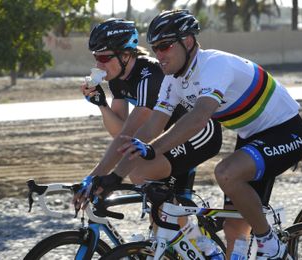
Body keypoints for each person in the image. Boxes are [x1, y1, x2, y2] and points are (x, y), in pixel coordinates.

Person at [90, 10, 302, 259]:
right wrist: (114, 176)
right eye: (155, 48)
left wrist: (153, 149)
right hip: (252, 136)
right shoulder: (173, 80)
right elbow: (151, 127)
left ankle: (271, 245)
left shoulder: (214, 65)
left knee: (226, 172)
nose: (159, 54)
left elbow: (198, 118)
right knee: (234, 227)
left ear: (189, 42)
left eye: (165, 46)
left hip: (286, 132)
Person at [74, 18, 222, 214]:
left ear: (125, 55)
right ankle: (184, 235)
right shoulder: (117, 80)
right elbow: (120, 131)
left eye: (104, 58)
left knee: (138, 171)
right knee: (158, 217)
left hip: (199, 133)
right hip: (166, 137)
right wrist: (102, 105)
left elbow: (127, 136)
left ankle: (191, 235)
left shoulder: (150, 76)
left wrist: (93, 177)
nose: (99, 65)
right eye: (96, 58)